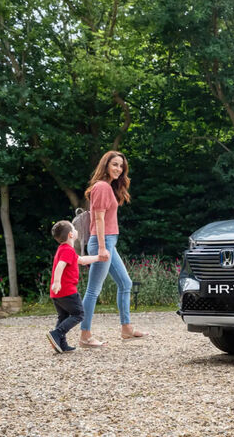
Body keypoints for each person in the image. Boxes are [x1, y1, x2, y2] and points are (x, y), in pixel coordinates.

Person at [79, 150, 149, 348]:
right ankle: (85, 335)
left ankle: (126, 329)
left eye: (121, 166)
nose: (118, 169)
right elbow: (99, 219)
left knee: (125, 283)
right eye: (115, 164)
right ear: (106, 165)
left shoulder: (107, 187)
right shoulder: (102, 187)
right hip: (102, 242)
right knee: (93, 290)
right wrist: (102, 248)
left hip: (108, 242)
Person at [47, 220, 102, 353]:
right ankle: (57, 333)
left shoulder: (63, 249)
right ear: (71, 234)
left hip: (57, 293)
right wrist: (57, 282)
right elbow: (60, 266)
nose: (77, 231)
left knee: (63, 316)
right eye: (74, 229)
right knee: (79, 314)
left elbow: (82, 260)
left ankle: (61, 344)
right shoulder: (67, 250)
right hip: (66, 290)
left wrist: (98, 258)